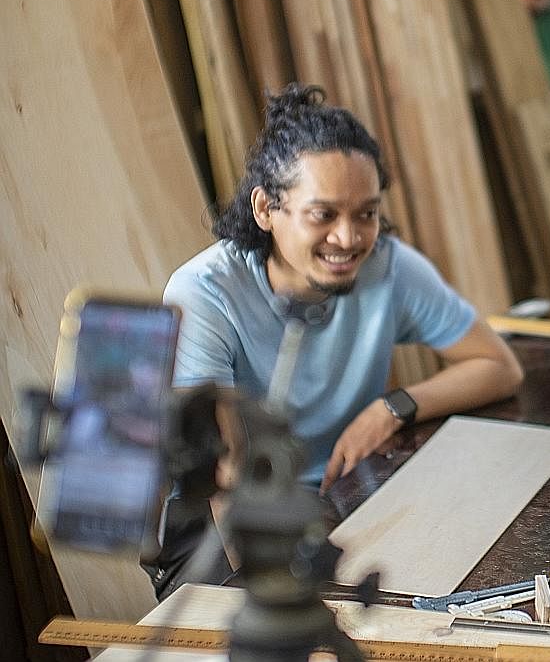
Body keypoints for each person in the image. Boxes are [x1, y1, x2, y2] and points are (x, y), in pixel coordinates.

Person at [147, 83, 522, 597]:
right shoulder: (204, 294)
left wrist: (392, 407)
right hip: (227, 517)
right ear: (265, 209)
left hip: (340, 494)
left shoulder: (389, 268)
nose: (349, 239)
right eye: (323, 214)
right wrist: (279, 596)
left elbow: (499, 366)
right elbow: (225, 471)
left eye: (366, 213)